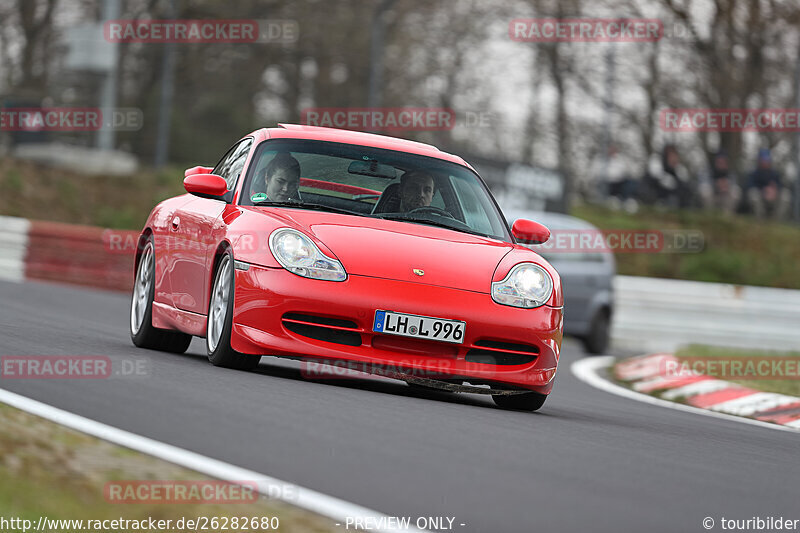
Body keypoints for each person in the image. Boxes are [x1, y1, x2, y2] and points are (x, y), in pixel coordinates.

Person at [746, 148, 791, 220]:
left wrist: (775, 190)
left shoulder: (775, 174)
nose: (765, 162)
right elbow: (749, 186)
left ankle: (776, 220)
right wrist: (764, 190)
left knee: (786, 195)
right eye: (763, 160)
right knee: (753, 194)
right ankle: (760, 220)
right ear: (759, 161)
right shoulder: (754, 173)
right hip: (761, 197)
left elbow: (781, 185)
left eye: (767, 160)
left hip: (774, 197)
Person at [699, 150, 741, 216]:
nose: (721, 164)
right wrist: (716, 185)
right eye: (719, 162)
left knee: (736, 191)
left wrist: (726, 186)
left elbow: (734, 186)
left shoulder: (730, 175)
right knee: (705, 189)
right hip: (713, 197)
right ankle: (709, 215)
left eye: (723, 162)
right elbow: (702, 183)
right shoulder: (709, 173)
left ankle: (727, 216)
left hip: (725, 198)